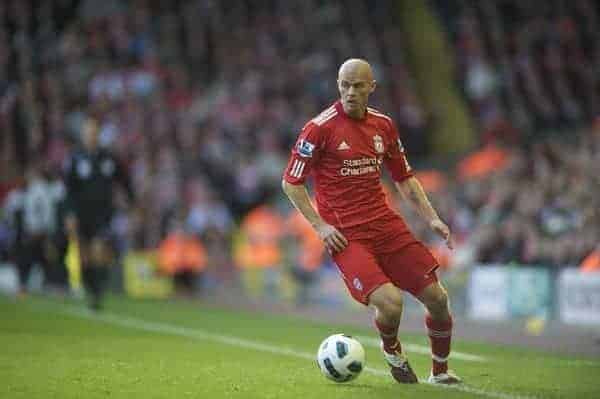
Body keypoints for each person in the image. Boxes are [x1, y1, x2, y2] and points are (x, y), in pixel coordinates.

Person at [281, 59, 461, 384]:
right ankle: (393, 351)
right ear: (338, 84)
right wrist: (321, 226)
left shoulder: (384, 126)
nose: (350, 92)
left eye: (358, 86)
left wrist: (432, 218)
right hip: (348, 237)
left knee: (438, 298)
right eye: (344, 85)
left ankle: (441, 373)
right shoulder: (319, 128)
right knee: (391, 303)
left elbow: (404, 179)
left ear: (372, 87)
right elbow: (291, 182)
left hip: (386, 226)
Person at [63, 116, 135, 310]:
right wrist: (69, 214)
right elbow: (68, 190)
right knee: (84, 255)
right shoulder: (75, 158)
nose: (91, 136)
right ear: (83, 135)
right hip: (81, 214)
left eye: (94, 132)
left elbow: (124, 180)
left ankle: (98, 293)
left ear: (98, 134)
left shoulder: (108, 158)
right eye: (88, 133)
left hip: (103, 214)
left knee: (99, 251)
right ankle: (91, 289)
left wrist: (132, 201)